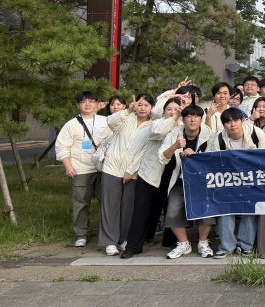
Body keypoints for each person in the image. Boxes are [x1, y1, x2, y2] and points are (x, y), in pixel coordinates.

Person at [120, 97, 184, 259]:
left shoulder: (183, 127)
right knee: (141, 210)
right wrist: (173, 118)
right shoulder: (156, 124)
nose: (173, 111)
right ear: (163, 111)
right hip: (150, 173)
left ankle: (171, 242)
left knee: (171, 208)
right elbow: (157, 133)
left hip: (172, 173)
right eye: (169, 109)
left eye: (176, 109)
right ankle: (134, 246)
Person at [98, 94, 156, 256]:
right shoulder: (125, 118)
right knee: (110, 207)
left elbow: (145, 150)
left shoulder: (152, 125)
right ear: (134, 105)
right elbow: (110, 122)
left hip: (133, 172)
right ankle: (109, 241)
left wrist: (131, 170)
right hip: (112, 167)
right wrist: (127, 111)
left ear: (151, 108)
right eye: (140, 104)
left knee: (128, 208)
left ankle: (123, 239)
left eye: (146, 105)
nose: (142, 108)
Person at [159, 102, 216, 259]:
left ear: (201, 119)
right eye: (189, 116)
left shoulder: (209, 134)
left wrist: (196, 154)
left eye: (197, 116)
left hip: (202, 181)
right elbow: (162, 157)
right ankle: (184, 243)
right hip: (180, 180)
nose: (193, 119)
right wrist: (175, 146)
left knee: (206, 210)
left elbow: (214, 157)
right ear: (183, 119)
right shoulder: (173, 134)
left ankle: (203, 242)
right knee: (172, 210)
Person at [55, 91, 109, 247]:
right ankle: (81, 233)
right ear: (78, 105)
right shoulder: (71, 124)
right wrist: (68, 166)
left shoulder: (105, 121)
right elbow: (62, 146)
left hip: (102, 168)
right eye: (83, 102)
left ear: (97, 104)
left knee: (106, 202)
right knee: (80, 203)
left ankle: (105, 233)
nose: (87, 104)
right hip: (80, 169)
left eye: (91, 101)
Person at [212, 107, 265, 258]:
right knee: (225, 208)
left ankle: (245, 245)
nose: (232, 125)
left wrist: (255, 154)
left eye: (235, 120)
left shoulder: (256, 133)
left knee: (251, 207)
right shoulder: (218, 138)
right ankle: (226, 246)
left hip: (253, 180)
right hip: (228, 181)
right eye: (228, 122)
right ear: (224, 125)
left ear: (242, 122)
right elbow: (213, 162)